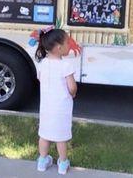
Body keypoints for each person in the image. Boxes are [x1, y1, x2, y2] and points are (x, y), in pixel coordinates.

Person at [35, 26, 78, 175]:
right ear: (59, 48)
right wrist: (73, 94)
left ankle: (42, 160)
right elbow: (72, 87)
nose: (70, 45)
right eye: (68, 43)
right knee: (61, 137)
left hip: (46, 108)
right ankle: (63, 163)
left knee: (44, 134)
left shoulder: (42, 64)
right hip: (61, 108)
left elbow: (41, 79)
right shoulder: (66, 65)